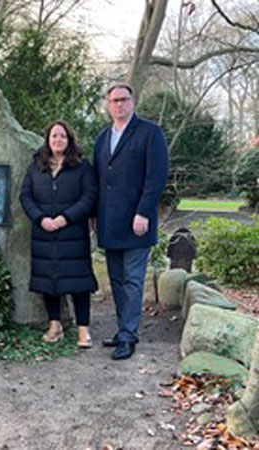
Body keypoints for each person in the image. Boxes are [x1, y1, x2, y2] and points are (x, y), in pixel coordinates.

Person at [93, 82, 169, 360]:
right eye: (114, 101)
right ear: (108, 105)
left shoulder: (150, 133)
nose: (119, 105)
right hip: (109, 222)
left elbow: (156, 177)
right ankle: (123, 329)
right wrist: (93, 217)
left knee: (134, 280)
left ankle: (129, 335)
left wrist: (144, 212)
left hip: (137, 221)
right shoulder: (102, 138)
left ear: (133, 102)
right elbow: (98, 181)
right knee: (116, 280)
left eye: (124, 99)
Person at [20, 120, 98, 348]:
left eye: (62, 136)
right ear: (48, 139)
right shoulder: (36, 165)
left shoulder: (82, 166)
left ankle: (84, 330)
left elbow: (89, 196)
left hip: (72, 232)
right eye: (54, 136)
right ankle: (55, 325)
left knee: (79, 281)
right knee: (48, 280)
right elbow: (25, 196)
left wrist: (65, 218)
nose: (58, 140)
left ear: (69, 139)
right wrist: (41, 218)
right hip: (43, 232)